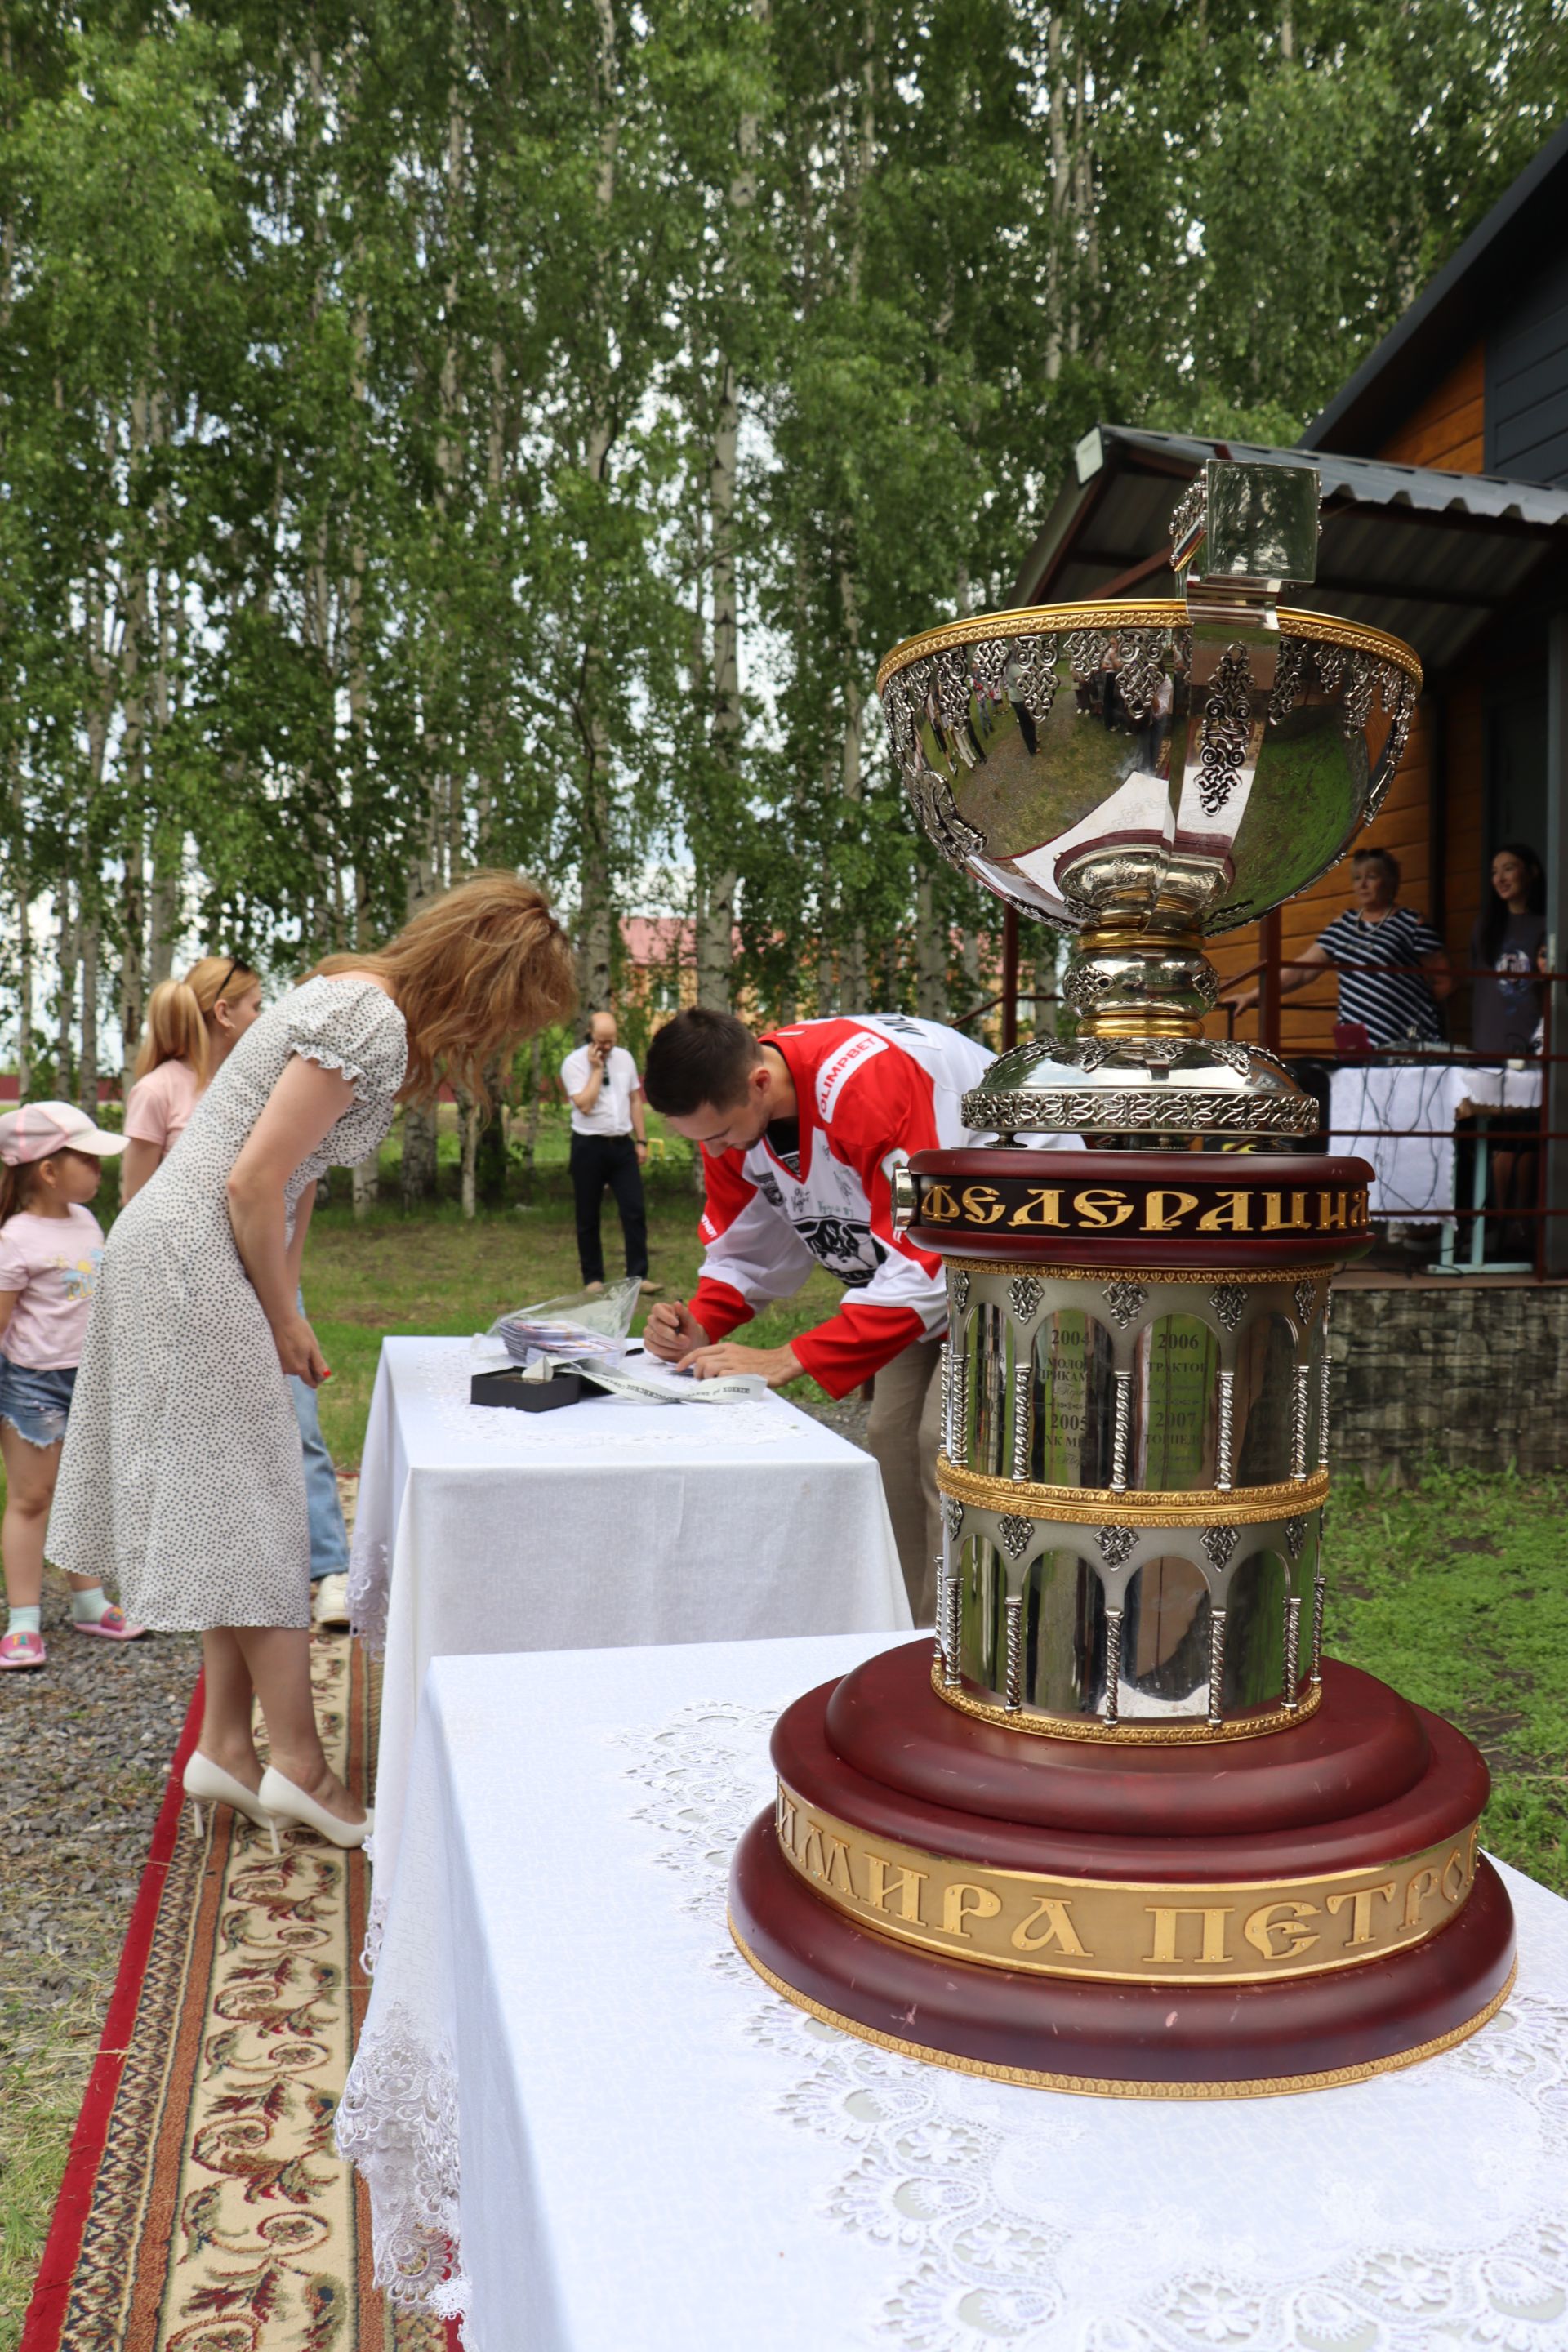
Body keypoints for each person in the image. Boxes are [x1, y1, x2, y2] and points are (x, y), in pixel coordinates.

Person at [48, 871, 576, 1845]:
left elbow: (284, 1187)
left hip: (183, 1249)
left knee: (227, 1508)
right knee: (259, 1516)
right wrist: (285, 1316)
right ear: (479, 980)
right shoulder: (366, 1016)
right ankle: (301, 1765)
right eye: (507, 1014)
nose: (498, 1039)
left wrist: (281, 1304)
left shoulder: (349, 996)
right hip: (192, 1257)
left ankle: (226, 1747)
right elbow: (254, 1181)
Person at [639, 1007, 996, 1623]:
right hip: (905, 1271)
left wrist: (792, 1356)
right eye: (700, 1139)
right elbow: (747, 1247)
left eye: (719, 1134)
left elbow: (930, 1248)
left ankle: (965, 1642)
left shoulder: (869, 1088)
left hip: (998, 1246)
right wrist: (699, 1323)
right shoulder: (734, 1117)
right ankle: (906, 1629)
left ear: (758, 1083)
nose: (715, 1151)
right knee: (889, 1437)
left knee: (945, 1443)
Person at [124, 958, 354, 1632]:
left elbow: (297, 1184)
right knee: (196, 1438)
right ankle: (193, 1574)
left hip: (271, 1284)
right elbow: (139, 1201)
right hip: (192, 1292)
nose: (265, 1017)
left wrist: (285, 1290)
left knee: (299, 1424)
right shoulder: (160, 1093)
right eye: (256, 1005)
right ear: (225, 1013)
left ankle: (327, 1569)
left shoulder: (274, 1084)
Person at [0, 1103, 145, 1669]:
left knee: (83, 1493)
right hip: (33, 1386)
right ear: (47, 1171)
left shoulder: (86, 1223)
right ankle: (23, 1621)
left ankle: (89, 1602)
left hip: (91, 1380)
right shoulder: (15, 1238)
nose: (99, 1169)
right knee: (32, 1498)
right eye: (86, 1159)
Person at [1223, 848, 1452, 1046]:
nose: (1362, 885)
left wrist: (1409, 1012)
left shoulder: (1412, 923)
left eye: (1371, 877)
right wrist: (1253, 995)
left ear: (1390, 881)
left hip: (1404, 1038)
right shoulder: (1343, 927)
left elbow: (1444, 981)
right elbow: (1301, 971)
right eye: (1356, 878)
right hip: (1357, 1039)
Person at [559, 1009, 657, 1294]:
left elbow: (635, 1100)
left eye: (611, 1040)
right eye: (602, 1040)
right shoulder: (574, 1064)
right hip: (588, 1146)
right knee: (588, 1214)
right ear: (590, 1034)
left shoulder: (625, 1058)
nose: (607, 1045)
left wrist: (642, 1140)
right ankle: (593, 1279)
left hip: (622, 1145)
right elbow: (585, 1105)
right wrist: (597, 1069)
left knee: (634, 1210)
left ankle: (638, 1277)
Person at [1471, 844, 1546, 1061]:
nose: (1500, 878)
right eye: (1495, 872)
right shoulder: (1484, 925)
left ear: (1532, 872)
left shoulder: (1549, 924)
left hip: (1532, 1040)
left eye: (1509, 869)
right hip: (1488, 1041)